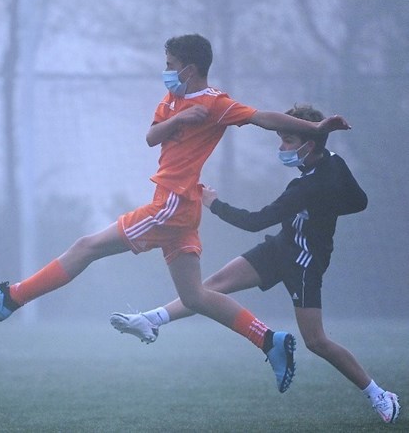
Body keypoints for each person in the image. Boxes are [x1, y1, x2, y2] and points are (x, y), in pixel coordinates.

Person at [0, 34, 350, 393]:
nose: (166, 71)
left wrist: (314, 126)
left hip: (171, 205)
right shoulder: (171, 100)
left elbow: (263, 118)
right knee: (196, 296)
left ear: (191, 68)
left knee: (87, 246)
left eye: (171, 65)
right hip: (178, 212)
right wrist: (179, 120)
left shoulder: (217, 103)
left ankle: (12, 298)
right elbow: (152, 137)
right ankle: (269, 341)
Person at [110, 104, 400, 423]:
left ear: (310, 144)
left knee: (316, 341)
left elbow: (255, 222)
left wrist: (214, 203)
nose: (281, 147)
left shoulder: (305, 188)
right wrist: (324, 209)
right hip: (280, 247)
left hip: (305, 262)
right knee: (209, 289)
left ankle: (380, 395)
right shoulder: (333, 164)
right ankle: (151, 320)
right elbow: (359, 202)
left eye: (287, 140)